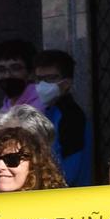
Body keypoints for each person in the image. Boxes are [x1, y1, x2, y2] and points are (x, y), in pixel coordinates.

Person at [34, 49, 93, 186]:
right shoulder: (47, 111)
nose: (43, 84)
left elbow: (70, 172)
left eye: (50, 78)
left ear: (66, 83)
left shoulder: (71, 116)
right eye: (39, 79)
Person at [0, 39, 38, 110]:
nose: (7, 75)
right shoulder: (6, 106)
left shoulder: (42, 104)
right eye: (2, 70)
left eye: (15, 68)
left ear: (31, 73)